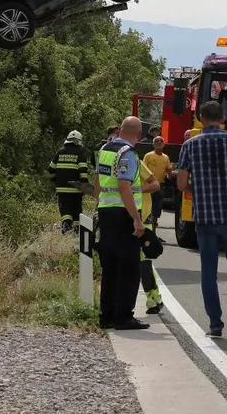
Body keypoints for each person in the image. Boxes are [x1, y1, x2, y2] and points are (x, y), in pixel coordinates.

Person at [175, 100, 227, 338]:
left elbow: (181, 184)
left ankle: (215, 325)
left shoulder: (189, 145)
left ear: (200, 118)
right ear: (222, 118)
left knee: (208, 271)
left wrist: (198, 186)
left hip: (205, 217)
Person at [93, 116, 148, 331]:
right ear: (139, 133)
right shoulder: (128, 154)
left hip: (106, 212)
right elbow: (125, 187)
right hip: (123, 215)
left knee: (110, 268)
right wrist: (136, 219)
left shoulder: (106, 149)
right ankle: (123, 316)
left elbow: (98, 181)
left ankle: (106, 315)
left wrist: (98, 205)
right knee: (128, 268)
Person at [48, 130, 91, 234]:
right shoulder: (80, 154)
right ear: (78, 141)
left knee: (65, 211)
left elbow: (50, 170)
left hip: (62, 190)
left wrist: (55, 180)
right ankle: (77, 233)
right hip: (76, 190)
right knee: (76, 211)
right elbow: (83, 174)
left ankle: (66, 229)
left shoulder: (59, 152)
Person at [137, 156, 165, 315]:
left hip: (143, 218)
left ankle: (154, 298)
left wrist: (136, 189)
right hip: (121, 218)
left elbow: (155, 184)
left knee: (143, 261)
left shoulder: (135, 162)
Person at [141, 136, 173, 229]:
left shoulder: (166, 157)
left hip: (160, 186)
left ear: (164, 144)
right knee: (147, 209)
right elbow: (143, 170)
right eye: (157, 141)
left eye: (161, 141)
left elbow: (169, 171)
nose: (159, 142)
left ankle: (153, 233)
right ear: (153, 144)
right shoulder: (148, 155)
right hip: (149, 187)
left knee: (156, 210)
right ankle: (144, 230)